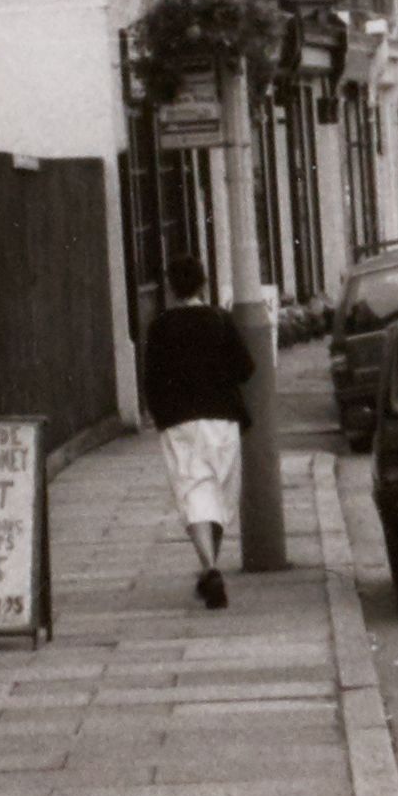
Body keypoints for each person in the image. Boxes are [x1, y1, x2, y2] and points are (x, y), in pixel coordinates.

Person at [140, 260, 254, 610]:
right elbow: (246, 368)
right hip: (222, 418)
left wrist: (160, 414)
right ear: (203, 284)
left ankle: (210, 568)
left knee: (193, 492)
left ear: (172, 288)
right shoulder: (220, 320)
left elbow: (151, 379)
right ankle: (210, 568)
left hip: (180, 423)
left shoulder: (160, 327)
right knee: (218, 494)